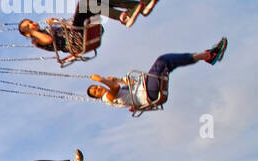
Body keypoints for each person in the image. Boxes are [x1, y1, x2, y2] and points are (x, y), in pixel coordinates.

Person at [88, 38, 226, 112]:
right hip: (147, 93)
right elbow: (115, 88)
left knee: (168, 62)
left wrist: (118, 79)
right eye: (95, 91)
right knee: (163, 61)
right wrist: (101, 79)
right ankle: (208, 55)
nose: (98, 88)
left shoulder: (118, 92)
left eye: (96, 87)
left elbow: (123, 85)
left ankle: (207, 55)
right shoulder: (107, 99)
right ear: (97, 96)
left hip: (146, 89)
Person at [18, 0, 163, 53]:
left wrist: (57, 21)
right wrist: (34, 32)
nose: (32, 24)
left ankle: (138, 6)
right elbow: (49, 40)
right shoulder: (37, 41)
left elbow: (67, 25)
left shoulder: (48, 28)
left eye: (30, 22)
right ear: (28, 33)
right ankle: (123, 17)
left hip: (79, 31)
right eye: (28, 26)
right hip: (76, 40)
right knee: (83, 3)